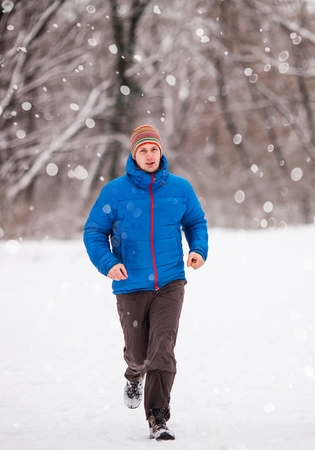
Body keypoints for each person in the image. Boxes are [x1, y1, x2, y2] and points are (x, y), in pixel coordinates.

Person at [83, 124, 208, 441]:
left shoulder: (179, 189)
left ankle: (158, 418)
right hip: (130, 285)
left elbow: (195, 222)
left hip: (170, 283)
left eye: (154, 149)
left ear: (161, 152)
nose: (150, 155)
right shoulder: (115, 192)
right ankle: (133, 374)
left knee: (162, 350)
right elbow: (94, 232)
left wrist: (197, 249)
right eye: (143, 150)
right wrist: (108, 263)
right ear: (133, 154)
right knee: (139, 355)